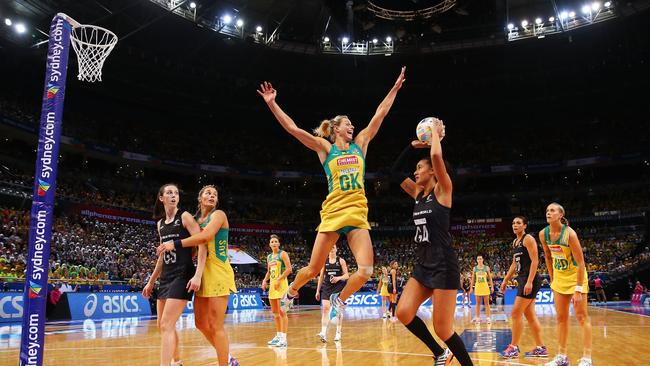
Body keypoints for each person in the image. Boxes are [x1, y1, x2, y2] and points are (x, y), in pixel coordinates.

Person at [256, 67, 406, 327]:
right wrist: (272, 104)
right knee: (313, 270)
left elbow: (379, 114)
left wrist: (394, 89)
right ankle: (291, 292)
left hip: (357, 213)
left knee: (366, 271)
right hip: (333, 213)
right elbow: (293, 129)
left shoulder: (361, 143)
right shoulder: (325, 148)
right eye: (348, 124)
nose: (353, 126)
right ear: (336, 129)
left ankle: (340, 299)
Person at [392, 120, 474, 366]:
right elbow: (394, 173)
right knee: (403, 312)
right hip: (423, 265)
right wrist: (411, 146)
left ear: (432, 172)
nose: (415, 172)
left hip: (444, 265)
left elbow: (436, 154)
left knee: (443, 328)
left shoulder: (443, 190)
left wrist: (435, 135)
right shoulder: (418, 194)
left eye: (419, 168)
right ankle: (439, 353)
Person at [157, 185, 238, 366]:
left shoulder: (218, 215)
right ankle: (229, 357)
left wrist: (174, 244)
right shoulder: (195, 219)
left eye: (215, 194)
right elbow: (194, 249)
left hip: (218, 271)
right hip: (200, 273)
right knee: (201, 324)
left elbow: (205, 237)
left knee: (216, 325)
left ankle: (225, 363)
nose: (212, 196)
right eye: (208, 193)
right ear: (200, 198)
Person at [143, 183, 206, 366]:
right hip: (166, 277)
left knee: (166, 324)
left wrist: (198, 275)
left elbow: (202, 243)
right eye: (169, 193)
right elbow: (162, 257)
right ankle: (177, 362)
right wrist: (151, 281)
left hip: (183, 274)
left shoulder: (184, 217)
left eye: (176, 193)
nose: (173, 195)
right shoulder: (160, 224)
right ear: (161, 198)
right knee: (162, 326)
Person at [540, 203, 593, 366]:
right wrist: (553, 279)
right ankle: (562, 356)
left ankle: (587, 358)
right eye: (547, 210)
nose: (549, 213)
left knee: (582, 317)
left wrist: (577, 289)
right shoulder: (543, 234)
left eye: (552, 210)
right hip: (560, 278)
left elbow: (581, 263)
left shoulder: (570, 234)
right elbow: (548, 257)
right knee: (561, 318)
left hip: (576, 276)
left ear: (561, 215)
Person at [499, 216, 548, 359]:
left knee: (515, 314)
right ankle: (541, 347)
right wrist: (505, 280)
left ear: (525, 226)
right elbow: (514, 264)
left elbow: (535, 261)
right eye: (513, 223)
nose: (515, 225)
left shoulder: (528, 239)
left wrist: (530, 281)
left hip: (529, 279)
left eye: (518, 223)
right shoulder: (515, 242)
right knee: (530, 316)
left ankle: (513, 347)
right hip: (522, 279)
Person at [262, 234, 293, 347]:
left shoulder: (283, 254)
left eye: (276, 241)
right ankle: (279, 336)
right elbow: (269, 272)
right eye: (272, 242)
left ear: (279, 243)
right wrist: (265, 280)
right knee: (275, 313)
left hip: (281, 285)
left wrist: (279, 280)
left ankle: (284, 339)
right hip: (272, 286)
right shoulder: (269, 257)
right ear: (269, 244)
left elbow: (289, 269)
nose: (274, 243)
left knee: (282, 312)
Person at [315, 244, 349, 342]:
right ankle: (323, 333)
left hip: (338, 288)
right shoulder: (324, 261)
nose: (331, 249)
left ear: (336, 249)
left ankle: (338, 332)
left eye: (333, 247)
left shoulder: (341, 261)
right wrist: (318, 290)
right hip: (327, 287)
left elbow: (347, 275)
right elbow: (321, 277)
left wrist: (338, 278)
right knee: (325, 309)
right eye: (330, 247)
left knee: (337, 310)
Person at [470, 255, 493, 323]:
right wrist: (471, 288)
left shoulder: (486, 268)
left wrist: (492, 286)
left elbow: (490, 278)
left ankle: (488, 318)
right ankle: (477, 318)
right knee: (478, 303)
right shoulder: (475, 268)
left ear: (483, 260)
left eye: (480, 259)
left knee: (487, 303)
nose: (479, 260)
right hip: (478, 287)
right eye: (478, 259)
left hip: (485, 287)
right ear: (477, 260)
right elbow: (473, 279)